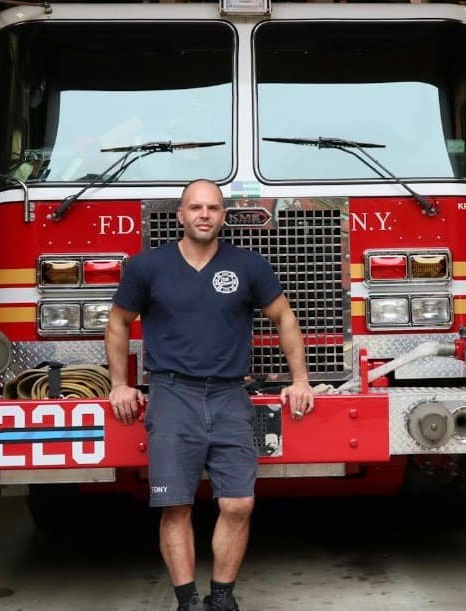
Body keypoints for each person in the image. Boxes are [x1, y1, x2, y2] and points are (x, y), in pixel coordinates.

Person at [107, 179, 315, 611]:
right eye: (196, 207)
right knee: (176, 504)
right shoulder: (148, 267)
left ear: (224, 216)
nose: (205, 214)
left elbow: (285, 317)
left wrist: (301, 380)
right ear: (180, 215)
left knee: (239, 502)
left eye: (213, 208)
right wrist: (119, 383)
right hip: (171, 392)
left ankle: (222, 597)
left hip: (229, 395)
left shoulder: (249, 266)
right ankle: (188, 601)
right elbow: (118, 322)